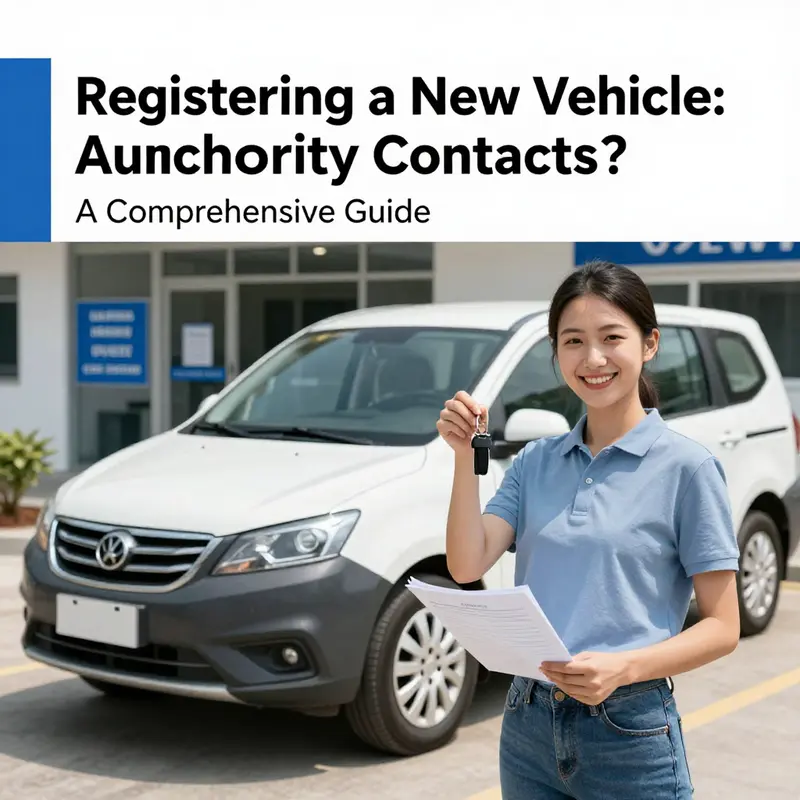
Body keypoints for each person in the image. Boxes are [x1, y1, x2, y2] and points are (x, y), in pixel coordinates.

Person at [437, 260, 741, 799]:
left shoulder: (687, 468)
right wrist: (464, 458)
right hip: (528, 720)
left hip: (629, 727)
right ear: (556, 353)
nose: (592, 358)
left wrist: (624, 667)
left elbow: (723, 626)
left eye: (611, 337)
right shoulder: (536, 462)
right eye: (572, 341)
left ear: (649, 344)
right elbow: (466, 564)